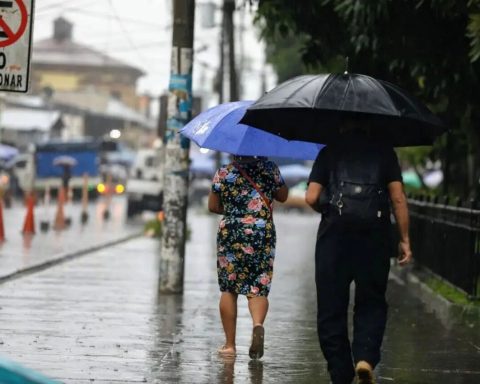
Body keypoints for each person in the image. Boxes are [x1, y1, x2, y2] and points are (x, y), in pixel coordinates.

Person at [305, 123, 412, 384]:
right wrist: (404, 239)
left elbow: (311, 196)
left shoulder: (329, 152)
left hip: (334, 239)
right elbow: (398, 199)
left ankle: (341, 373)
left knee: (331, 307)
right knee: (372, 301)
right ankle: (365, 358)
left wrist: (330, 213)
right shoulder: (385, 153)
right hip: (374, 237)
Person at [208, 155, 288, 359]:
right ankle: (258, 324)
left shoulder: (224, 172)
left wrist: (237, 212)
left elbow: (213, 206)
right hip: (262, 231)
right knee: (258, 285)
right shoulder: (270, 169)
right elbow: (283, 196)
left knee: (229, 288)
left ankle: (229, 345)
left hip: (232, 231)